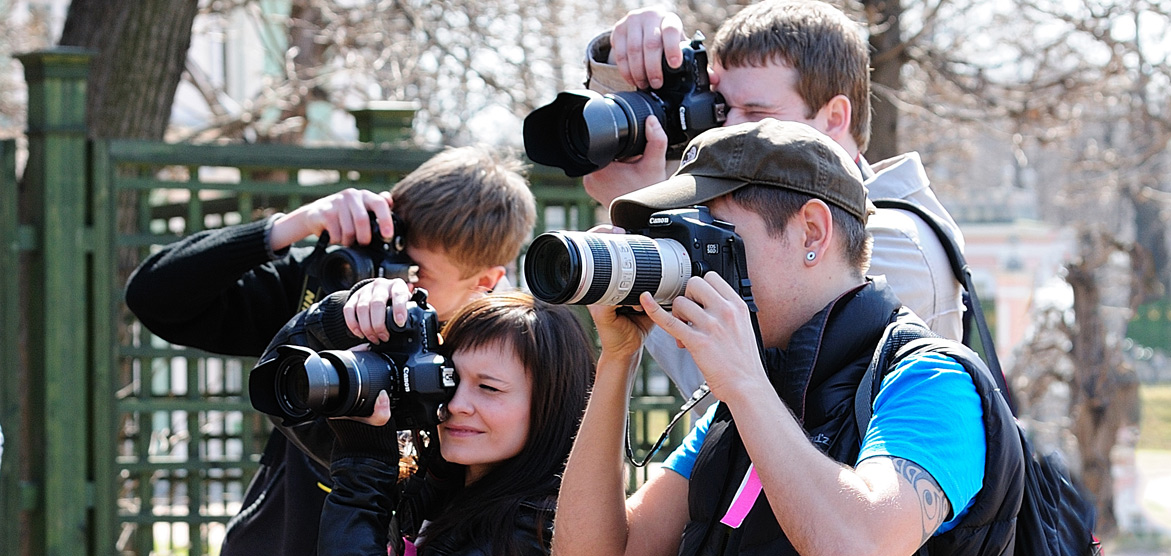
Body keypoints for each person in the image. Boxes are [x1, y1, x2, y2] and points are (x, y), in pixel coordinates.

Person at [552, 120, 1022, 556]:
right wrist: (618, 358)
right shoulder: (748, 396)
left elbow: (861, 545)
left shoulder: (933, 381)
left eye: (710, 234)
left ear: (811, 233)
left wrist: (745, 385)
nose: (692, 261)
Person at [123, 145, 537, 556]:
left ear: (485, 280)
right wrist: (294, 226)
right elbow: (155, 298)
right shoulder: (334, 297)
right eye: (390, 258)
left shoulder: (491, 359)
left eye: (415, 272)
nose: (389, 283)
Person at [575, 0, 965, 414]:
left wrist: (649, 229)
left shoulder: (893, 240)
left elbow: (734, 397)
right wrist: (625, 60)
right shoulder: (756, 209)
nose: (727, 131)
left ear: (834, 117)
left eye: (757, 114)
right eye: (721, 110)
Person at [267, 290, 594, 556]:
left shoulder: (530, 533)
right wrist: (342, 317)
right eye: (449, 379)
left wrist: (361, 478)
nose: (455, 404)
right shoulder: (438, 483)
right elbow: (278, 387)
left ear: (553, 404)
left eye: (488, 388)